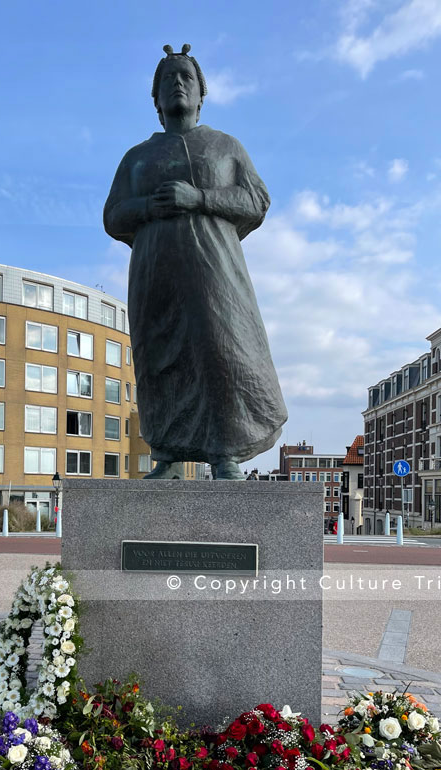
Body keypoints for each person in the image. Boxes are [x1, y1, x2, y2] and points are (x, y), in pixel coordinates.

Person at [104, 44, 287, 480]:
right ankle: (166, 454)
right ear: (156, 100)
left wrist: (200, 198)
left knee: (223, 352)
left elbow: (256, 200)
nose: (178, 84)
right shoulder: (137, 157)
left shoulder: (225, 146)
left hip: (215, 274)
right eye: (168, 79)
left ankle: (227, 452)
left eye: (186, 76)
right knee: (159, 358)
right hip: (155, 274)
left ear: (201, 94)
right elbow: (113, 215)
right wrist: (150, 206)